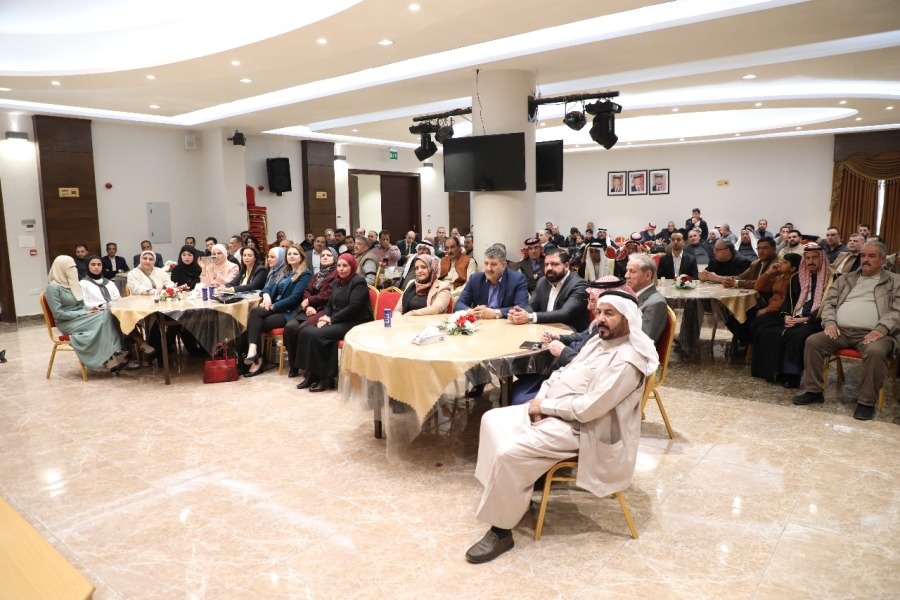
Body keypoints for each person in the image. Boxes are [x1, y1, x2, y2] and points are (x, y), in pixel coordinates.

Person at [465, 278, 658, 564]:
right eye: (599, 312)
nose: (601, 319)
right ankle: (510, 497)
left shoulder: (628, 360)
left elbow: (590, 409)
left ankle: (501, 530)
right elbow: (560, 373)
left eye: (609, 313)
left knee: (510, 452)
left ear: (627, 319)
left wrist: (547, 407)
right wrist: (541, 400)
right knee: (491, 419)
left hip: (584, 430)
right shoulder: (599, 341)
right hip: (554, 411)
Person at [793, 242, 900, 420]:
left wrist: (882, 329)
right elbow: (829, 303)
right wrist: (829, 322)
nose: (865, 260)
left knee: (875, 352)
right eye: (863, 255)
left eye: (871, 256)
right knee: (813, 342)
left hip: (876, 334)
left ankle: (866, 402)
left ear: (883, 259)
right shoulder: (846, 278)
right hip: (840, 331)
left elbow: (898, 310)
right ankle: (814, 391)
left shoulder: (895, 281)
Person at [751, 246, 832, 387]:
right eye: (807, 258)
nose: (811, 261)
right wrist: (787, 316)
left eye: (815, 257)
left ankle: (791, 375)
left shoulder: (834, 278)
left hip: (818, 320)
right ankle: (770, 371)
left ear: (822, 259)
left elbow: (831, 304)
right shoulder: (797, 277)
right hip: (795, 316)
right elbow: (789, 300)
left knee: (796, 335)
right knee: (766, 331)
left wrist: (806, 318)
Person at [294, 253, 374, 392]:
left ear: (352, 267)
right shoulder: (337, 281)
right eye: (339, 266)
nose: (341, 269)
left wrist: (331, 319)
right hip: (338, 319)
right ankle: (312, 373)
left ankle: (326, 378)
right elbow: (330, 304)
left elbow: (354, 307)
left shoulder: (358, 282)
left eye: (345, 266)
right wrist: (325, 317)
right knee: (306, 331)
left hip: (355, 322)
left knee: (320, 335)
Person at [45, 256, 129, 372]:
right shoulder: (52, 288)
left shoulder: (72, 284)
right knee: (106, 316)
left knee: (108, 313)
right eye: (71, 267)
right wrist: (84, 312)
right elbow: (58, 314)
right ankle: (114, 353)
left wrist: (91, 308)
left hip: (81, 317)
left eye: (75, 267)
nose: (74, 270)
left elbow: (81, 304)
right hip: (67, 322)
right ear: (61, 269)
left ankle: (115, 353)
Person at [244, 245, 312, 377]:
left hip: (289, 312)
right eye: (289, 254)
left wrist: (273, 306)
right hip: (276, 307)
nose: (291, 256)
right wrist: (266, 296)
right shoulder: (286, 272)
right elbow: (268, 288)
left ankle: (257, 358)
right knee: (255, 313)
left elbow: (294, 298)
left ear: (301, 257)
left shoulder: (305, 274)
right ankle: (253, 352)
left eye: (295, 254)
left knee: (255, 324)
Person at [284, 247, 339, 378]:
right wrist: (308, 305)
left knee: (304, 329)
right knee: (290, 327)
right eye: (323, 255)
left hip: (324, 309)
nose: (325, 257)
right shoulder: (316, 275)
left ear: (335, 258)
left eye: (328, 255)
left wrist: (309, 301)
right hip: (309, 309)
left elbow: (328, 295)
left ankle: (308, 367)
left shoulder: (336, 275)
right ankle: (294, 365)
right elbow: (307, 291)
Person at [508, 248, 590, 332]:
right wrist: (520, 314)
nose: (549, 268)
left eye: (554, 264)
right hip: (545, 329)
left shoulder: (580, 285)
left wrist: (530, 317)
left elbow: (564, 313)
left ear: (566, 266)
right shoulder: (542, 281)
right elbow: (533, 306)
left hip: (571, 333)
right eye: (546, 265)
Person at [456, 245, 528, 320]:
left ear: (503, 265)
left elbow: (522, 307)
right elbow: (459, 304)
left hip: (505, 324)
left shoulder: (517, 279)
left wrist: (496, 313)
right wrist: (470, 311)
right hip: (481, 324)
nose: (488, 268)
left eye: (493, 264)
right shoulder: (475, 279)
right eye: (486, 263)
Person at [624, 254, 669, 343]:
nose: (626, 276)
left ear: (647, 275)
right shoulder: (633, 295)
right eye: (627, 271)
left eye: (632, 271)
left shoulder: (656, 304)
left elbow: (643, 342)